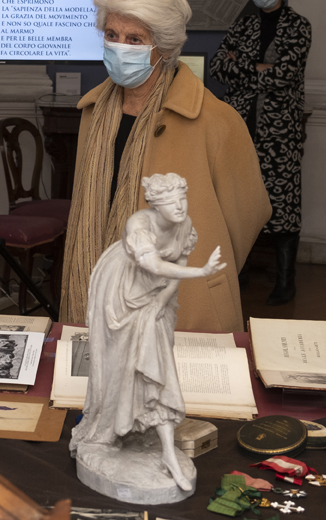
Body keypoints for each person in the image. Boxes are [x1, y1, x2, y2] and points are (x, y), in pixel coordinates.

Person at [61, 0, 270, 330]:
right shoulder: (92, 114)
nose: (119, 46)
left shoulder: (216, 120)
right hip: (98, 299)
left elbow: (246, 216)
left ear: (166, 46)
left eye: (135, 39)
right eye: (112, 35)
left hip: (183, 306)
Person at [70, 173, 225, 491]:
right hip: (122, 296)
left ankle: (161, 445)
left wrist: (160, 304)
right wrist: (202, 272)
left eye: (183, 199)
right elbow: (153, 264)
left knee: (157, 366)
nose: (180, 207)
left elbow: (175, 266)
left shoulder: (183, 224)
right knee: (122, 367)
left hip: (157, 295)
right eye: (172, 203)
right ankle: (112, 431)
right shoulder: (138, 226)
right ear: (156, 205)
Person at [208, 0, 312, 305]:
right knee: (237, 202)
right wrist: (260, 68)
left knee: (283, 206)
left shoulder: (299, 27)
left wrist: (244, 66)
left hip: (279, 133)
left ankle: (286, 282)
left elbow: (285, 75)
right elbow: (218, 67)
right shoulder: (243, 26)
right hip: (239, 129)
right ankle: (239, 271)